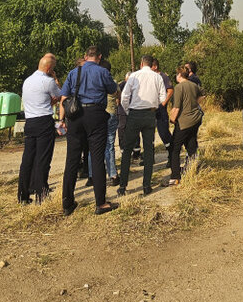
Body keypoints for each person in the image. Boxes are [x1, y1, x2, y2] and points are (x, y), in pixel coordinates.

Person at [60, 47, 120, 216]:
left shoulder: (73, 72)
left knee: (71, 159)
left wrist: (61, 119)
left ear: (85, 57)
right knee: (97, 157)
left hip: (75, 116)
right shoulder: (102, 72)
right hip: (95, 114)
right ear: (99, 57)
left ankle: (67, 203)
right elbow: (112, 90)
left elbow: (64, 95)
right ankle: (100, 203)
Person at [117, 54, 167, 196]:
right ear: (152, 65)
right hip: (150, 114)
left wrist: (128, 111)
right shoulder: (157, 77)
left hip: (134, 113)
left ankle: (122, 187)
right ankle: (146, 185)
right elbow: (163, 97)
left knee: (127, 149)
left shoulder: (134, 76)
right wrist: (153, 106)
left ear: (141, 63)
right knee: (149, 149)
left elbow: (124, 96)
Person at [17, 53, 61, 204]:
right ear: (49, 68)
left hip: (30, 122)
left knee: (27, 159)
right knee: (43, 159)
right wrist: (55, 80)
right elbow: (59, 96)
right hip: (44, 121)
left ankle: (23, 195)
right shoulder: (48, 81)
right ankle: (41, 194)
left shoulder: (27, 81)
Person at [168, 64, 205, 185]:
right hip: (196, 119)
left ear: (179, 75)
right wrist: (194, 103)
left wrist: (172, 119)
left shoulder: (179, 87)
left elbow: (176, 107)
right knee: (191, 144)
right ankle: (193, 169)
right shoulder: (194, 85)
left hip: (184, 121)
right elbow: (202, 96)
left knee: (175, 148)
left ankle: (175, 176)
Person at [151, 57, 174, 153]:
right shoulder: (150, 77)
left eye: (151, 66)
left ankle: (171, 154)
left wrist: (163, 104)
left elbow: (170, 90)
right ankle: (150, 157)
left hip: (160, 110)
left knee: (163, 133)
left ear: (155, 67)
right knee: (149, 135)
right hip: (151, 110)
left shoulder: (163, 76)